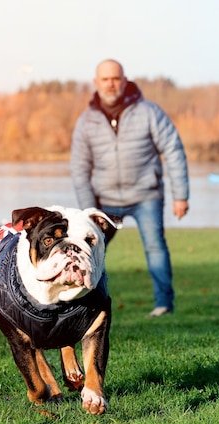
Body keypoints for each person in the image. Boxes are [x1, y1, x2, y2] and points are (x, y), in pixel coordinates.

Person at [70, 59, 189, 317]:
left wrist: (181, 196)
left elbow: (174, 150)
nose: (111, 84)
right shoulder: (86, 122)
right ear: (96, 83)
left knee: (155, 246)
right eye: (106, 79)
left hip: (147, 195)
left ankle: (164, 305)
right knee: (88, 249)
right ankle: (84, 306)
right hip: (104, 201)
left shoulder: (149, 112)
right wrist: (88, 210)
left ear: (124, 80)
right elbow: (80, 168)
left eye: (116, 78)